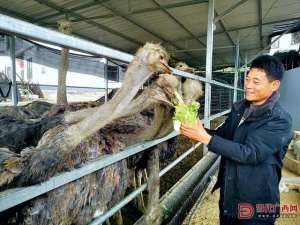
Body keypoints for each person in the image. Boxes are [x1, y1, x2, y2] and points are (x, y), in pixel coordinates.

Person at [180, 55, 293, 225]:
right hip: (230, 195)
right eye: (247, 79)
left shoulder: (279, 120)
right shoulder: (240, 108)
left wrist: (204, 137)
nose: (248, 85)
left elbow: (250, 153)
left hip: (256, 202)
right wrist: (198, 130)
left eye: (256, 82)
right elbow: (223, 135)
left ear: (274, 85)